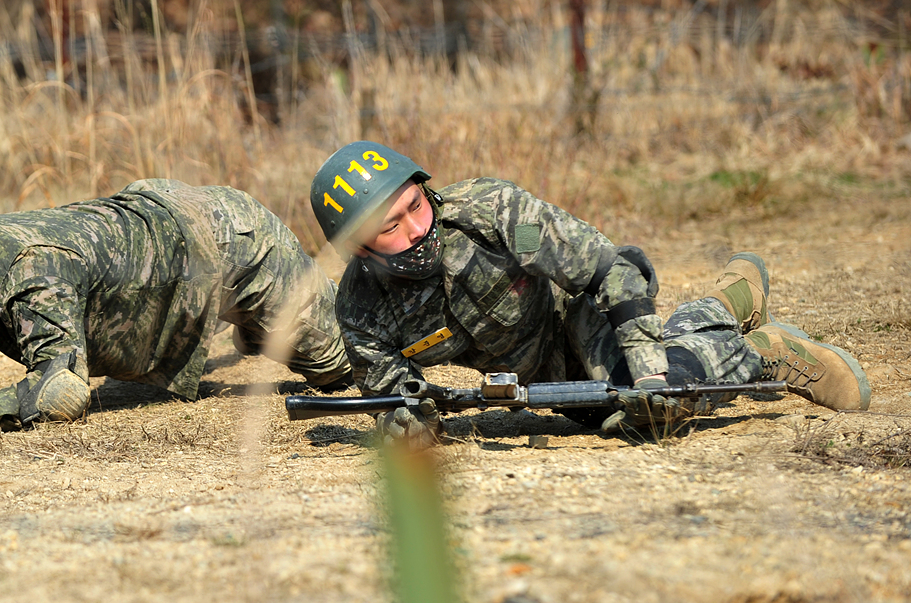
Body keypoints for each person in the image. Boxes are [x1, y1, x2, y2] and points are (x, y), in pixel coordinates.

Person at [308, 140, 871, 443]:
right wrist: (410, 425)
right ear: (358, 248)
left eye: (416, 206)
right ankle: (726, 304)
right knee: (620, 421)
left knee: (660, 400)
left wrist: (649, 368)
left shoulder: (492, 211)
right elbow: (394, 400)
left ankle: (767, 352)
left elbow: (610, 268)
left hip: (583, 316)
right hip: (545, 378)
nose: (416, 229)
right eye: (390, 227)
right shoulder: (359, 313)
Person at [0, 180, 351, 433]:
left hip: (224, 240)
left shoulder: (33, 270)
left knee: (342, 367)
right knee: (275, 342)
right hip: (163, 261)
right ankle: (252, 331)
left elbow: (61, 393)